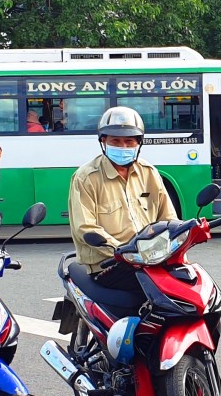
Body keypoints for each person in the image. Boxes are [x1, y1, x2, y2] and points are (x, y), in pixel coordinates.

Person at [68, 106, 177, 293]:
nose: (123, 147)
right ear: (103, 141)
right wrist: (126, 253)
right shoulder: (86, 177)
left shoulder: (149, 173)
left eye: (129, 141)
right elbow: (85, 228)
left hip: (150, 260)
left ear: (138, 144)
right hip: (108, 265)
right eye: (116, 141)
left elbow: (168, 218)